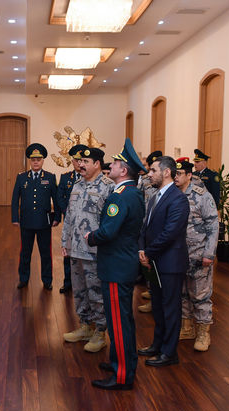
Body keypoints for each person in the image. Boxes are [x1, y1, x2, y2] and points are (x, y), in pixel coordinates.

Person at [85, 138, 146, 390]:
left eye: (116, 163)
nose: (110, 165)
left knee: (119, 323)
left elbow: (108, 232)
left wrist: (91, 237)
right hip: (124, 263)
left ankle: (122, 376)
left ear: (124, 170)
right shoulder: (133, 193)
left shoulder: (120, 197)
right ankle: (122, 362)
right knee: (123, 320)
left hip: (116, 266)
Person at [138, 156, 190, 367]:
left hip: (170, 263)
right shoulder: (154, 197)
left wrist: (148, 253)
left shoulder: (178, 199)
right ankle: (157, 345)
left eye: (153, 170)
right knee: (158, 308)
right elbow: (145, 227)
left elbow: (170, 233)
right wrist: (142, 249)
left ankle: (169, 353)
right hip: (154, 261)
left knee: (170, 309)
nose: (149, 174)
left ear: (166, 172)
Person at [61, 148, 114, 353]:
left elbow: (110, 223)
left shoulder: (108, 187)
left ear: (97, 164)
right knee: (80, 291)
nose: (81, 165)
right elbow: (70, 216)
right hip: (75, 249)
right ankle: (85, 326)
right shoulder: (77, 184)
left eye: (86, 161)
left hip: (95, 252)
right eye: (80, 161)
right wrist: (65, 241)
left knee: (96, 292)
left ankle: (100, 332)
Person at [174, 158, 218, 352]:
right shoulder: (173, 195)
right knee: (182, 293)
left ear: (189, 175)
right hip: (178, 255)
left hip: (199, 255)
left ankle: (203, 333)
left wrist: (209, 254)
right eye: (174, 174)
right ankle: (187, 327)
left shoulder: (202, 196)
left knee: (200, 295)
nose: (176, 177)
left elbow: (213, 226)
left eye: (179, 174)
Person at [11, 143, 60, 290]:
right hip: (26, 222)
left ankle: (47, 280)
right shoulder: (21, 178)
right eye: (33, 160)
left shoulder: (50, 177)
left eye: (38, 159)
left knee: (46, 253)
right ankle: (23, 279)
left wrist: (57, 217)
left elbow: (56, 200)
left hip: (44, 223)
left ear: (43, 160)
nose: (36, 162)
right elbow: (15, 200)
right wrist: (15, 218)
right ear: (30, 161)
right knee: (25, 253)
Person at [57, 144, 87, 294]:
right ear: (72, 161)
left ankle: (85, 284)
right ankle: (68, 282)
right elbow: (60, 197)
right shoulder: (65, 178)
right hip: (70, 222)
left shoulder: (89, 178)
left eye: (82, 160)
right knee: (68, 251)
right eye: (76, 160)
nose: (79, 163)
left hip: (86, 223)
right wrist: (68, 212)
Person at [137, 150, 162, 313]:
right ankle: (152, 294)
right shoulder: (145, 180)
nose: (150, 172)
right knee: (148, 263)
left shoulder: (170, 183)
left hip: (162, 227)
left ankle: (158, 299)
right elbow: (139, 200)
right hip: (147, 225)